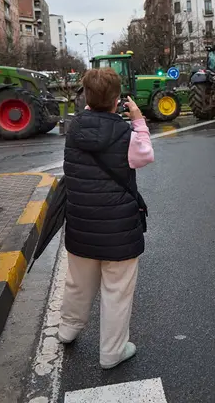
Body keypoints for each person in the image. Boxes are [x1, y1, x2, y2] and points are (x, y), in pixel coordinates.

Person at [58, 67, 154, 369]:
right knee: (117, 290)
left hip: (80, 222)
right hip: (118, 229)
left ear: (86, 97)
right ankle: (112, 352)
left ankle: (68, 329)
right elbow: (145, 155)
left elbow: (94, 121)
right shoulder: (126, 133)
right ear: (117, 100)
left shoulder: (74, 129)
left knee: (78, 281)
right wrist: (137, 119)